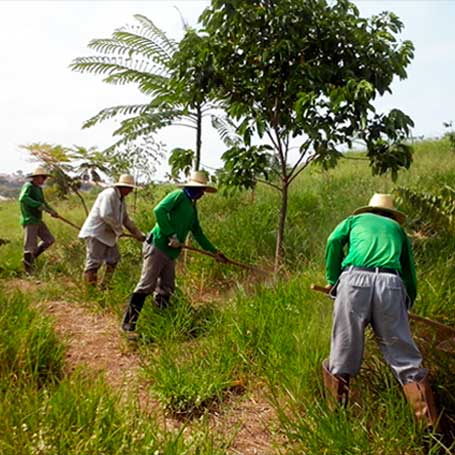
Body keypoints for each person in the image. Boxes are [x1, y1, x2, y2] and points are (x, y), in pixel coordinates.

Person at [323, 193, 438, 429]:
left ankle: (336, 422)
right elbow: (409, 273)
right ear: (391, 214)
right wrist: (406, 303)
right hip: (390, 283)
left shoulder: (354, 220)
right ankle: (430, 430)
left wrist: (333, 279)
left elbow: (333, 241)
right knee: (405, 359)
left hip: (354, 280)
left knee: (342, 351)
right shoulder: (398, 230)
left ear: (369, 209)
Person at [121, 171, 227, 332]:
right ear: (191, 188)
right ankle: (129, 324)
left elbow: (197, 232)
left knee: (167, 287)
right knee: (146, 285)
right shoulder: (178, 196)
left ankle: (161, 321)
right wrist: (171, 234)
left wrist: (214, 252)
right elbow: (159, 210)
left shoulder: (192, 208)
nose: (201, 194)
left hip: (171, 252)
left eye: (203, 191)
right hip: (157, 245)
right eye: (200, 190)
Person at [78, 174, 145, 289]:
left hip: (108, 235)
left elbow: (125, 219)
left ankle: (105, 285)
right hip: (96, 233)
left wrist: (138, 234)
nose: (131, 190)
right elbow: (105, 215)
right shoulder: (109, 194)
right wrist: (119, 230)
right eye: (129, 188)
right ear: (122, 187)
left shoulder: (121, 200)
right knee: (94, 263)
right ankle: (90, 291)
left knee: (114, 259)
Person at [19, 167, 58, 274]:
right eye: (43, 177)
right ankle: (28, 271)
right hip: (30, 219)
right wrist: (37, 205)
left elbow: (43, 203)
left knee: (49, 240)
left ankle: (31, 259)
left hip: (37, 219)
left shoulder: (39, 189)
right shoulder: (28, 186)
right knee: (30, 246)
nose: (44, 180)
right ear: (36, 177)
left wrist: (52, 211)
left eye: (45, 177)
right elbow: (23, 198)